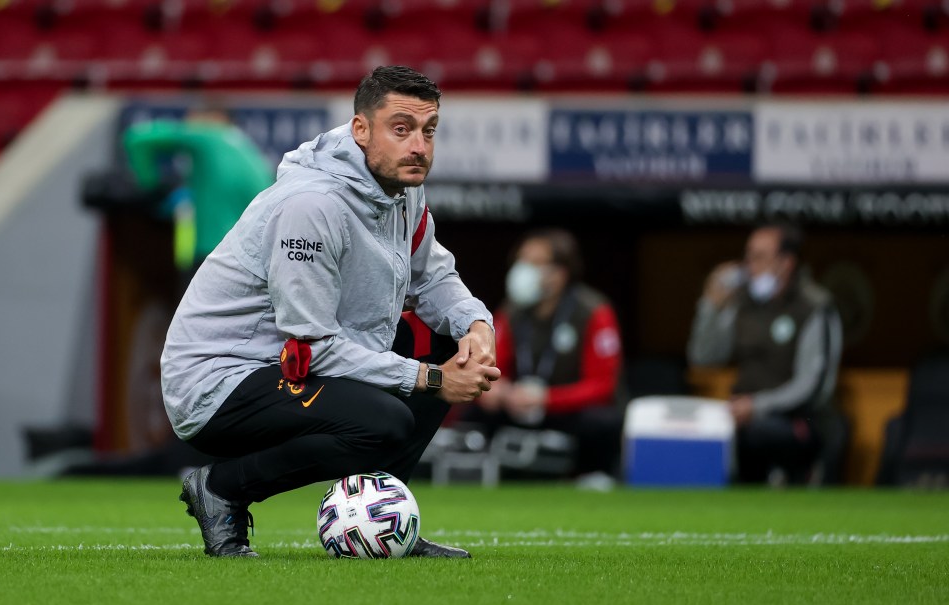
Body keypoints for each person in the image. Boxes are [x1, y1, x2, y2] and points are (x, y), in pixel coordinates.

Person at [163, 66, 500, 558]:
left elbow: (433, 277)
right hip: (218, 380)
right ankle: (222, 490)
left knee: (448, 348)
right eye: (401, 129)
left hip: (287, 364)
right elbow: (313, 346)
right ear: (361, 130)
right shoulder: (312, 205)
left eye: (429, 131)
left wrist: (477, 325)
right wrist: (430, 380)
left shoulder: (404, 189)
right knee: (387, 416)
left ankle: (386, 520)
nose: (419, 147)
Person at [458, 227, 625, 481]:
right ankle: (481, 472)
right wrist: (496, 389)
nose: (524, 269)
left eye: (535, 262)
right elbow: (493, 365)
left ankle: (592, 476)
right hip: (519, 405)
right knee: (474, 412)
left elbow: (603, 385)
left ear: (560, 273)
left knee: (602, 422)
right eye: (521, 261)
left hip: (565, 410)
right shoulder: (510, 311)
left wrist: (546, 399)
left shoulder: (594, 311)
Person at [687, 223, 845, 485]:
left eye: (759, 257)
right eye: (748, 256)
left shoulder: (814, 306)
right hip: (742, 417)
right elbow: (703, 357)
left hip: (800, 421)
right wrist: (710, 305)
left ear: (786, 263)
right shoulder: (742, 302)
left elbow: (813, 386)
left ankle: (788, 478)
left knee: (758, 432)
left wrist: (757, 407)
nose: (749, 265)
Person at [122, 103, 275, 286]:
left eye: (193, 117)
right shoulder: (247, 148)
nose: (188, 123)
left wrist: (152, 186)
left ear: (215, 118)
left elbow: (137, 138)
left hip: (210, 255)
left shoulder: (208, 135)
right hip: (247, 258)